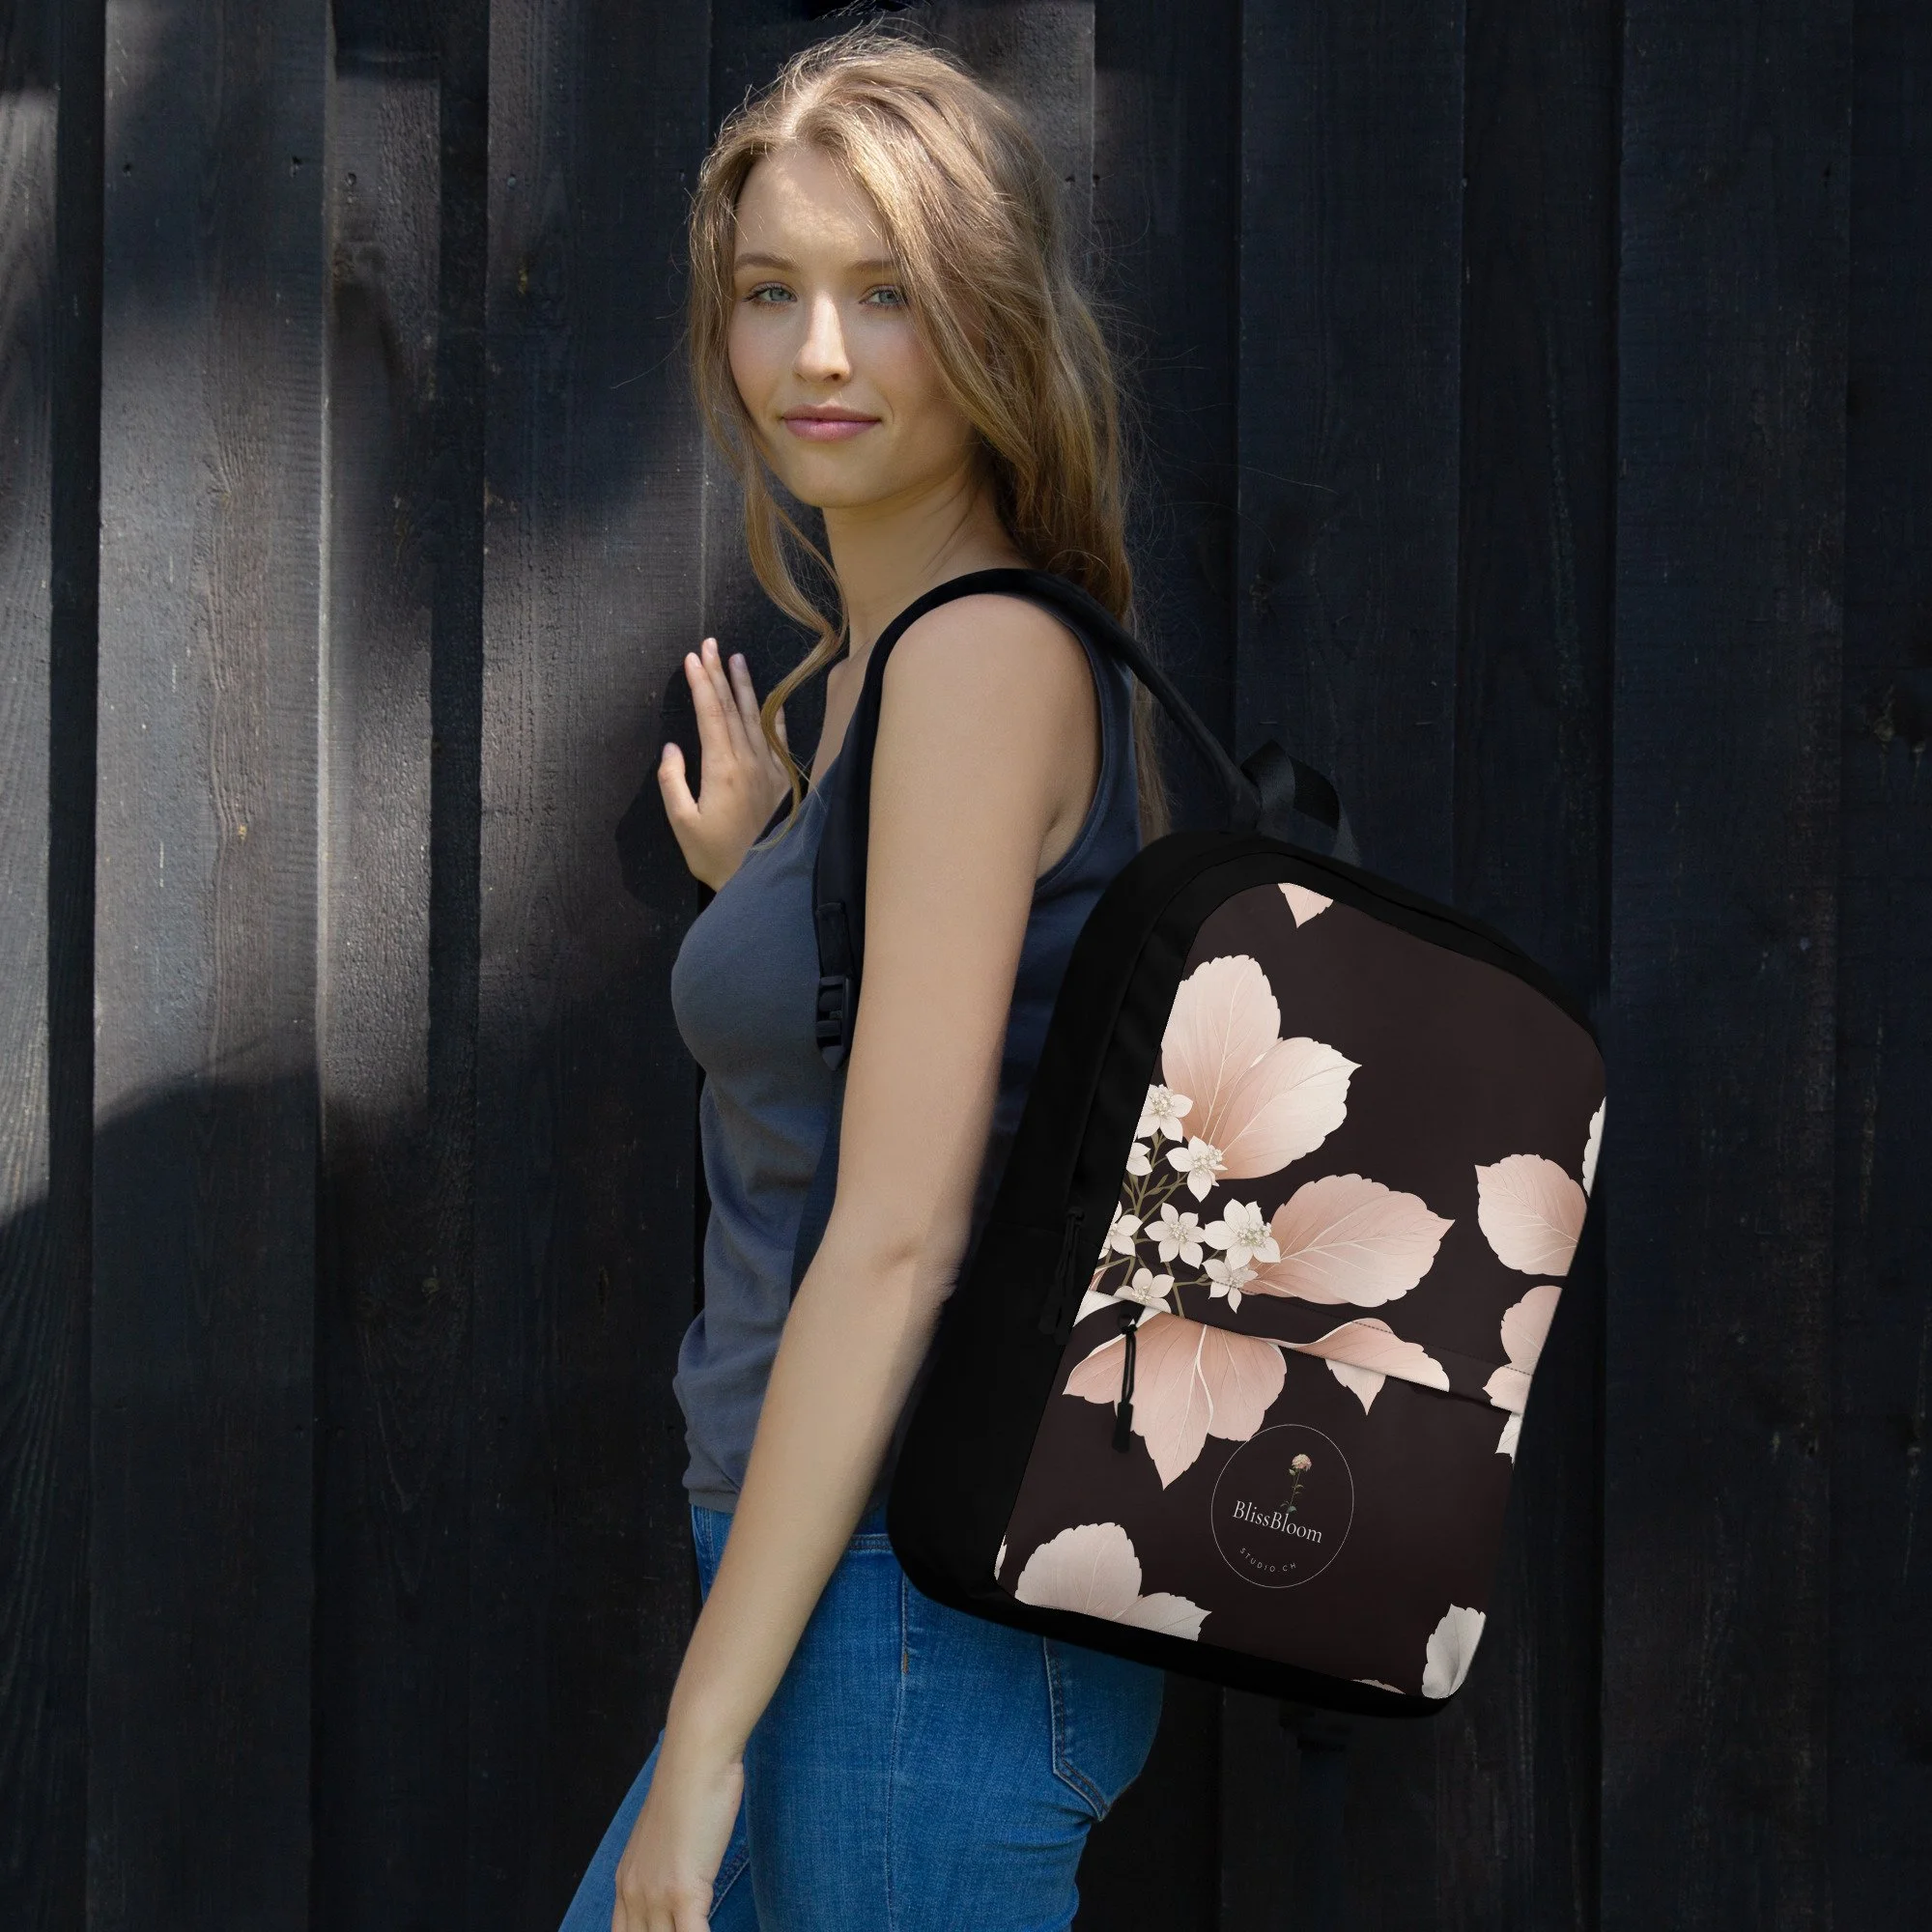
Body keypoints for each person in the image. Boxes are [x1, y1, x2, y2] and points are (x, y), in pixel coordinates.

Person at [558, 29, 1173, 1932]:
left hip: (910, 1608)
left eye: (885, 294)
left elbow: (902, 1234)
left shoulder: (977, 664)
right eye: (771, 293)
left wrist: (707, 1730)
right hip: (828, 1582)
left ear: (990, 321)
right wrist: (768, 882)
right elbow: (894, 1057)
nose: (816, 353)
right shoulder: (872, 676)